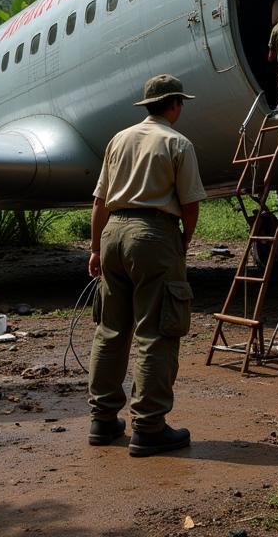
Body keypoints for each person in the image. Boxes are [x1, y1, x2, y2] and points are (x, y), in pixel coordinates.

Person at [86, 74, 207, 456]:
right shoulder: (177, 143)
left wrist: (94, 248)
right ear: (174, 105)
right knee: (155, 331)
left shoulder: (118, 140)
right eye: (180, 103)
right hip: (153, 235)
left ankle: (103, 421)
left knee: (110, 329)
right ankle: (149, 427)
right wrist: (183, 241)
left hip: (113, 234)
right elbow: (189, 204)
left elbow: (99, 202)